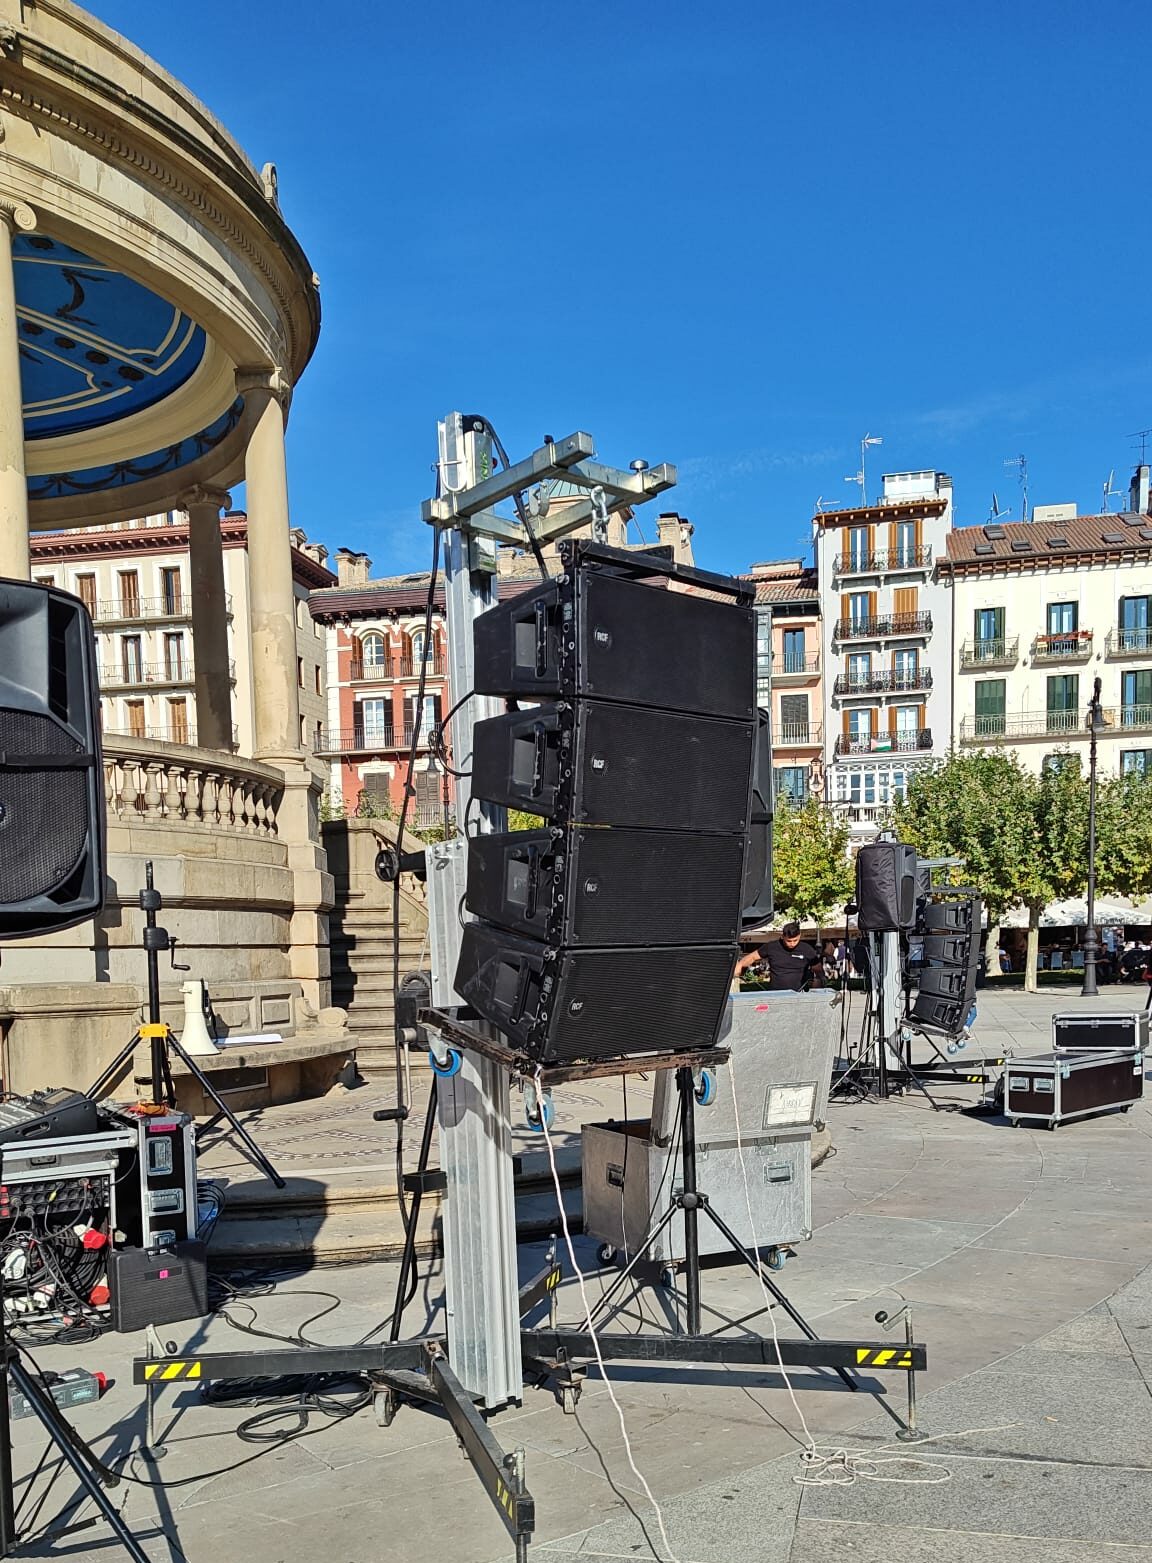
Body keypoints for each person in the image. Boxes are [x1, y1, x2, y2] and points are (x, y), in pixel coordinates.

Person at [735, 921, 823, 991]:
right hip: (775, 993)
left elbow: (818, 970)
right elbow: (752, 957)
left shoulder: (807, 949)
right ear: (783, 936)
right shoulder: (772, 947)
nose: (792, 944)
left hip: (799, 993)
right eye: (789, 941)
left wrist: (820, 982)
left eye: (795, 940)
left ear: (799, 936)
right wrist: (740, 965)